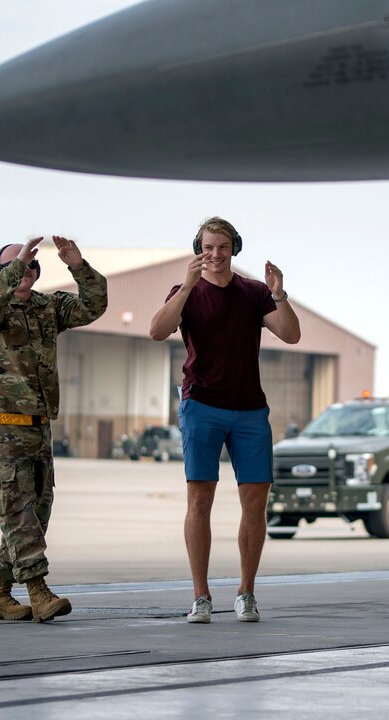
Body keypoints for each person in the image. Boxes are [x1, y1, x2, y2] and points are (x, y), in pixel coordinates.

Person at [149, 217, 300, 624]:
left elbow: (290, 335)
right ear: (198, 249)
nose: (215, 254)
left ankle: (246, 592)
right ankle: (201, 596)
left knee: (256, 502)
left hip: (250, 410)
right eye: (208, 247)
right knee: (200, 499)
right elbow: (157, 331)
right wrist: (185, 286)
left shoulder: (253, 293)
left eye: (223, 247)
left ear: (235, 248)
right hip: (201, 406)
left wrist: (279, 294)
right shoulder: (186, 292)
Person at [0, 235, 107, 623]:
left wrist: (78, 266)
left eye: (32, 265)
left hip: (39, 425)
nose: (26, 271)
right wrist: (14, 267)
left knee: (35, 514)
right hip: (2, 425)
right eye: (16, 265)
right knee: (18, 511)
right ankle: (38, 590)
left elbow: (93, 305)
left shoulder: (48, 307)